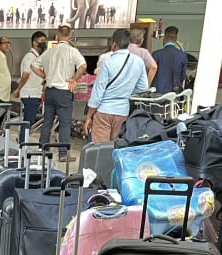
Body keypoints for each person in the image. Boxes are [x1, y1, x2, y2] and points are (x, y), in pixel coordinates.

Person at [84, 29, 148, 143]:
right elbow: (143, 87)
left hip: (104, 111)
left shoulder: (108, 63)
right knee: (117, 147)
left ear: (114, 44)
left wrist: (89, 116)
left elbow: (98, 93)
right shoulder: (138, 61)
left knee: (100, 148)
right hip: (122, 111)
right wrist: (126, 92)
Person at [33, 25, 86, 161]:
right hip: (64, 92)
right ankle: (63, 154)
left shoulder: (49, 52)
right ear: (70, 37)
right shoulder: (72, 51)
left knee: (47, 122)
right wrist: (74, 79)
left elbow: (33, 66)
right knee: (64, 124)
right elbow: (83, 66)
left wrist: (45, 76)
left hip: (50, 92)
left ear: (57, 37)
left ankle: (43, 150)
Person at [13, 30, 47, 142]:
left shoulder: (38, 57)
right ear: (34, 42)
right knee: (28, 120)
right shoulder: (30, 57)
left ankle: (23, 140)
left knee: (30, 120)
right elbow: (25, 75)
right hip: (29, 93)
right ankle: (22, 141)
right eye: (41, 41)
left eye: (44, 41)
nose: (44, 43)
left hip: (35, 93)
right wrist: (18, 89)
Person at [152, 26, 189, 93]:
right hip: (174, 93)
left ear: (165, 38)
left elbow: (151, 73)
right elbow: (182, 76)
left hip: (157, 93)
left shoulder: (156, 54)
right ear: (176, 39)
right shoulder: (182, 55)